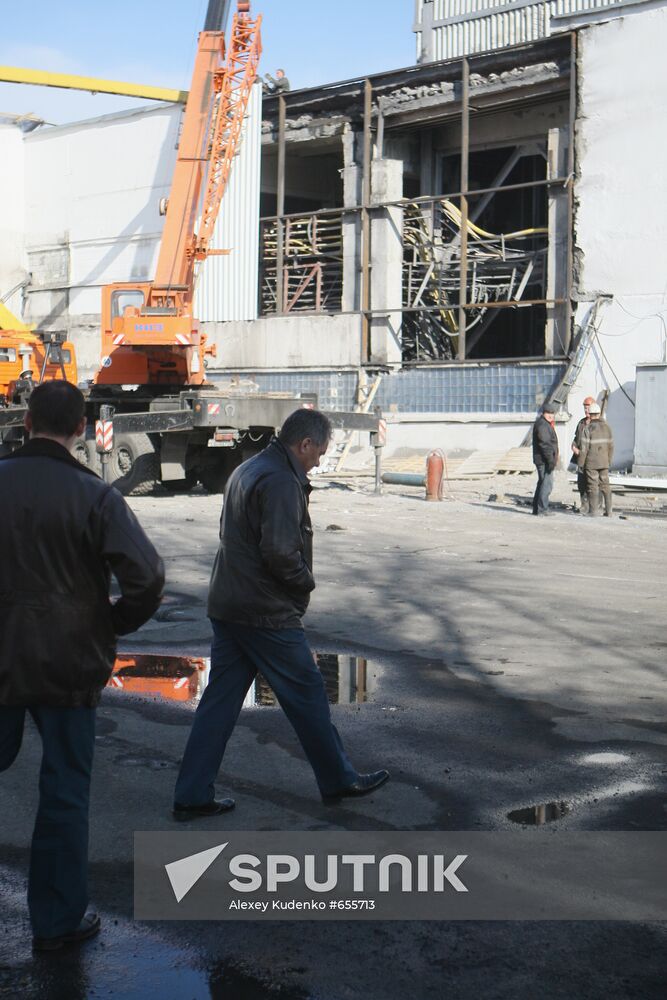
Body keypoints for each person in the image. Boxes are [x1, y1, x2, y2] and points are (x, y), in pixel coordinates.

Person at [0, 381, 164, 951]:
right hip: (68, 663)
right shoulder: (95, 496)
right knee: (65, 792)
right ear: (79, 429)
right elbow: (147, 577)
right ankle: (58, 919)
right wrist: (110, 623)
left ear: (25, 423)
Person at [173, 408, 389, 817]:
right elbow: (279, 552)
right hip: (263, 610)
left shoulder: (249, 468)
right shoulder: (280, 481)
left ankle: (191, 794)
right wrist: (305, 582)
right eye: (319, 453)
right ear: (303, 444)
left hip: (229, 602)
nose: (320, 462)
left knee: (218, 703)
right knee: (307, 694)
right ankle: (338, 779)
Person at [578, 402, 614, 517]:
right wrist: (609, 461)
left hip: (591, 463)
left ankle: (593, 512)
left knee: (592, 486)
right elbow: (611, 446)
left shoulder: (588, 428)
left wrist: (581, 464)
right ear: (599, 414)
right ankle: (609, 511)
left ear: (590, 414)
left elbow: (584, 449)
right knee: (606, 485)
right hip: (604, 462)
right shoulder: (608, 427)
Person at [532, 401, 559, 516]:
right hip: (544, 460)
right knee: (547, 484)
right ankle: (542, 509)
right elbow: (545, 444)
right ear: (543, 413)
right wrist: (550, 460)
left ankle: (537, 509)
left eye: (552, 413)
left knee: (542, 483)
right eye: (548, 413)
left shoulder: (545, 424)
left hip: (542, 459)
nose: (551, 415)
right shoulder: (543, 425)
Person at [571, 396, 596, 513]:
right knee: (581, 483)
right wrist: (573, 446)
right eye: (585, 408)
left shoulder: (596, 424)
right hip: (580, 458)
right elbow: (577, 438)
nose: (586, 410)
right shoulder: (581, 423)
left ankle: (594, 506)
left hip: (591, 459)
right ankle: (584, 505)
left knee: (592, 483)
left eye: (588, 408)